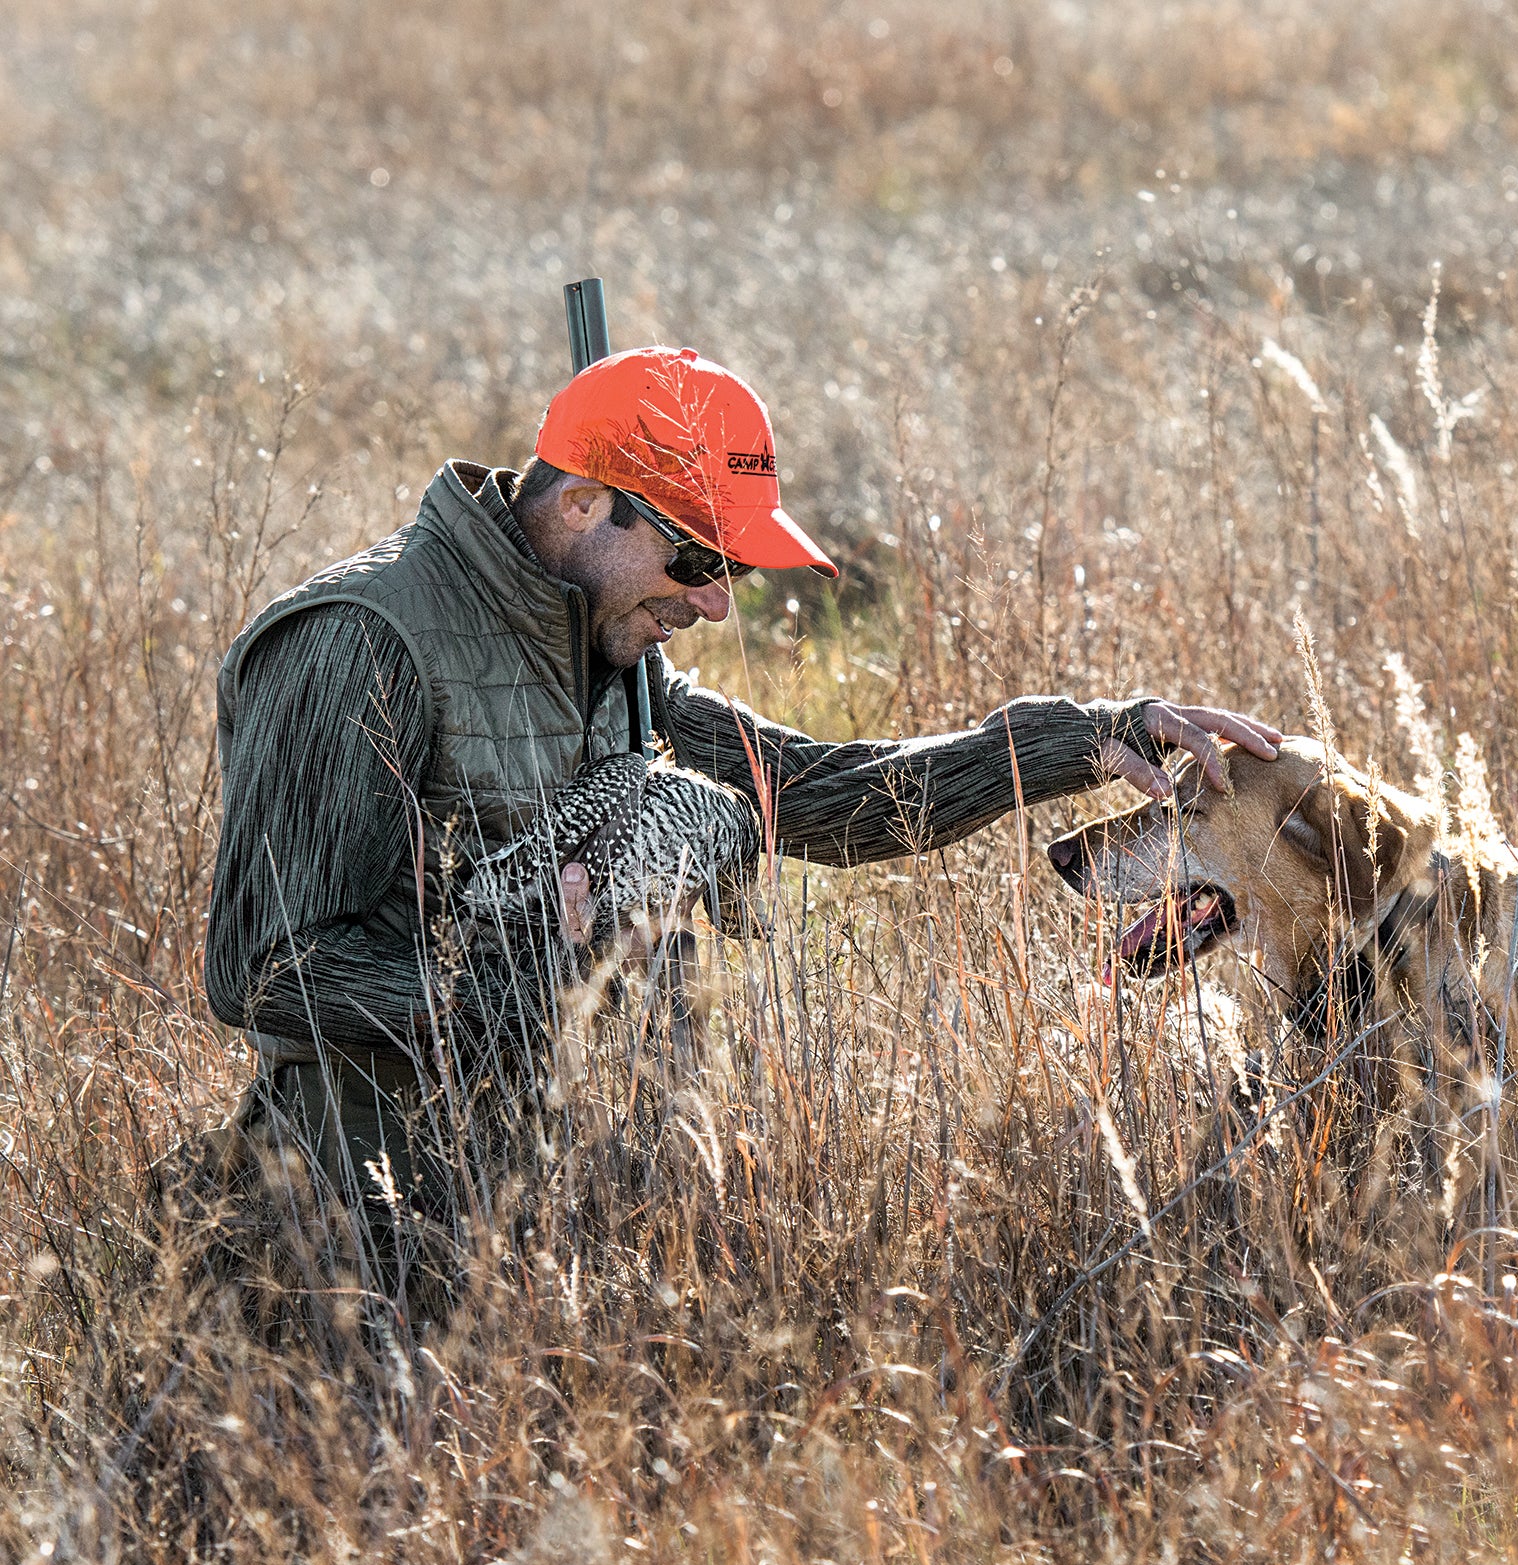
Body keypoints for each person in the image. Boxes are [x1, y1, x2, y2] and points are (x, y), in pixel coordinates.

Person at [202, 344, 1279, 1244]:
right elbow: (258, 969)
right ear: (582, 502)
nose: (716, 601)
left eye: (737, 571)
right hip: (351, 1223)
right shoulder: (358, 642)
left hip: (546, 1202)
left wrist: (1085, 738)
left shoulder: (607, 657)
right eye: (697, 554)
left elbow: (824, 795)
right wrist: (517, 997)